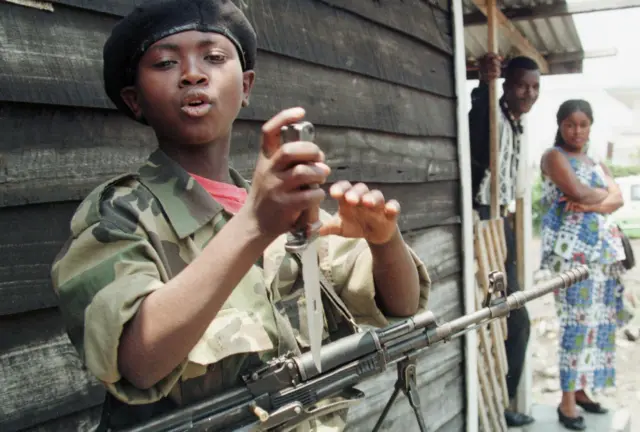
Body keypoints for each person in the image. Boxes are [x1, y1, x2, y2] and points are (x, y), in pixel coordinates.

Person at [49, 1, 432, 431]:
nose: (193, 73)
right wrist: (253, 225)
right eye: (165, 62)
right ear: (134, 99)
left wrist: (384, 241)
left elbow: (400, 303)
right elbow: (138, 362)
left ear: (246, 85)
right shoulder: (121, 216)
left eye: (214, 57)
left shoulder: (289, 211)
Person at [539, 99, 627, 431]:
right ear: (560, 125)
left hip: (602, 256)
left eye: (583, 124)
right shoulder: (553, 157)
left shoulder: (594, 160)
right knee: (575, 325)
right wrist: (602, 194)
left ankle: (581, 390)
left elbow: (618, 198)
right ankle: (566, 402)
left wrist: (591, 204)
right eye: (570, 124)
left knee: (597, 324)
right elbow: (575, 188)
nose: (577, 131)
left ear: (591, 125)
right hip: (571, 256)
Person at [468, 53, 541, 427]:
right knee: (513, 316)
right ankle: (497, 402)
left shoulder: (518, 125)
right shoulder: (490, 116)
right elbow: (477, 140)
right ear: (506, 85)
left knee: (513, 319)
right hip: (482, 219)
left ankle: (502, 399)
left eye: (534, 87)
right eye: (521, 85)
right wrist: (485, 84)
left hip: (503, 220)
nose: (528, 93)